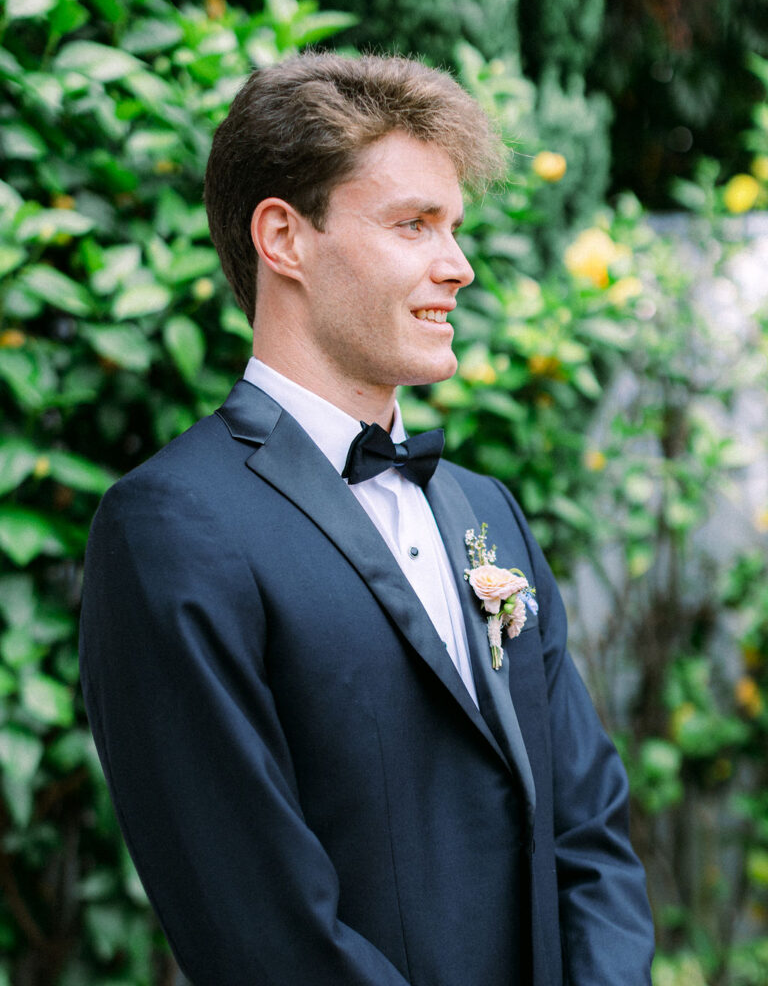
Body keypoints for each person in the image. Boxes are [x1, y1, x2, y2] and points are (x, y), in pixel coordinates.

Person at [79, 52, 654, 986]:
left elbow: (587, 829)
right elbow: (262, 934)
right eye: (413, 224)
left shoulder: (487, 511)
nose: (458, 267)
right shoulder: (170, 530)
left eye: (455, 228)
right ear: (283, 237)